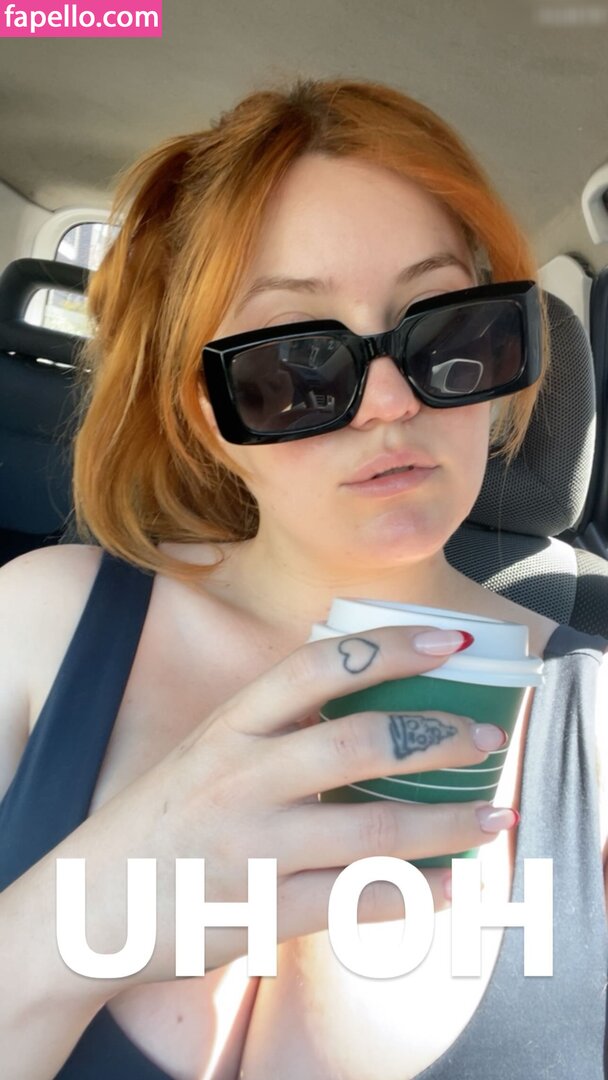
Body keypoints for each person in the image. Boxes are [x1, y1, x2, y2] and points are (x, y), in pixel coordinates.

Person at [0, 77, 606, 1080]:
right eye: (297, 362)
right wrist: (86, 915)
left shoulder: (594, 732)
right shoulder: (37, 626)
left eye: (444, 329)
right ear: (209, 414)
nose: (389, 401)